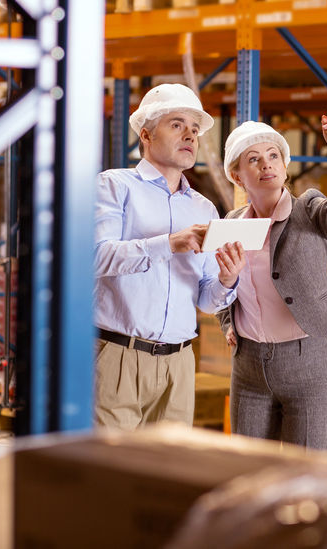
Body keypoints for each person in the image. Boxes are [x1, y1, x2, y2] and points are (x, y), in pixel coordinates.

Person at [93, 83, 245, 430]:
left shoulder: (204, 207)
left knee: (162, 478)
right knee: (107, 475)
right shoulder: (114, 186)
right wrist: (169, 244)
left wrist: (227, 280)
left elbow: (207, 301)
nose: (190, 135)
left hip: (178, 364)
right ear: (145, 134)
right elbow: (95, 257)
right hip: (117, 356)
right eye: (177, 124)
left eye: (194, 129)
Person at [216, 100, 327, 450]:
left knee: (308, 470)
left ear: (285, 166)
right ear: (237, 175)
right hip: (249, 368)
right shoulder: (231, 224)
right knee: (250, 469)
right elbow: (221, 284)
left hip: (308, 362)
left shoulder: (308, 209)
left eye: (273, 156)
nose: (266, 165)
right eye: (253, 159)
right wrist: (227, 322)